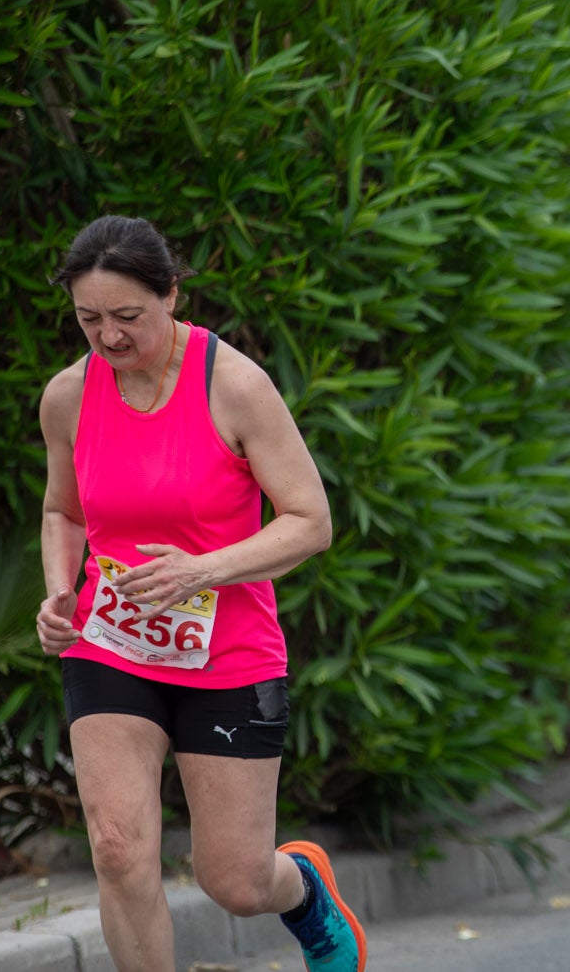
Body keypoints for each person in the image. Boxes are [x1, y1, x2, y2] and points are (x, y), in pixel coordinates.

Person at [36, 216, 364, 972]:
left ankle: (305, 891)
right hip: (110, 643)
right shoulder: (68, 396)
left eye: (128, 317)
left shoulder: (235, 384)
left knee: (236, 879)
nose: (109, 338)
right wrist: (60, 592)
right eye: (90, 319)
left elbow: (311, 521)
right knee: (117, 849)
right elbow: (62, 510)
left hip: (229, 655)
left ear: (172, 295)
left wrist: (201, 569)